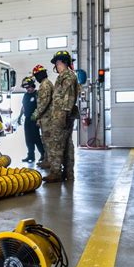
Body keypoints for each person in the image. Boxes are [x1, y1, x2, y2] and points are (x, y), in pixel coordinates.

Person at [43, 51, 79, 182]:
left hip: (62, 115)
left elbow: (68, 98)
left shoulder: (68, 76)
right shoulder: (65, 76)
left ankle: (56, 172)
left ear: (63, 62)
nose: (56, 66)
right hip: (62, 114)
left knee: (56, 144)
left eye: (57, 63)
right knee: (67, 145)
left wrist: (63, 115)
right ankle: (68, 174)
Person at [30, 65, 54, 169]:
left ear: (40, 74)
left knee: (48, 141)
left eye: (36, 76)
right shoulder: (46, 84)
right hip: (46, 117)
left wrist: (36, 114)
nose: (36, 79)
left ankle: (49, 162)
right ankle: (46, 160)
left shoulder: (45, 85)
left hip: (48, 118)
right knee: (45, 140)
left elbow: (43, 103)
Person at [17, 76, 45, 163]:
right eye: (26, 88)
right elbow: (23, 107)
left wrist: (38, 119)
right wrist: (20, 116)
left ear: (33, 86)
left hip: (35, 119)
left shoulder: (37, 94)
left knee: (36, 138)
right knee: (28, 139)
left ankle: (43, 155)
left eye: (28, 87)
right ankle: (30, 156)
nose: (27, 89)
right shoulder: (26, 95)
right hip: (27, 119)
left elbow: (40, 107)